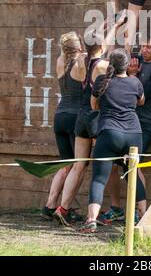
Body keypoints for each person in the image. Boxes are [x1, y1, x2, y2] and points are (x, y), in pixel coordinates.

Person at [53, 14, 127, 226]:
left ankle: (63, 208)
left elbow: (100, 45)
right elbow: (106, 51)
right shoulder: (102, 65)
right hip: (95, 117)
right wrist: (116, 28)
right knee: (106, 166)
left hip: (81, 118)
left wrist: (111, 27)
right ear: (100, 46)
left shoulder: (81, 60)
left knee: (78, 165)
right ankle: (101, 212)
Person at [100, 29, 151, 223]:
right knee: (114, 166)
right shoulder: (134, 60)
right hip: (125, 123)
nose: (145, 50)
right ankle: (116, 208)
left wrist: (131, 75)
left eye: (150, 47)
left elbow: (141, 96)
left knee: (134, 166)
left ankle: (141, 215)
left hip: (145, 124)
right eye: (143, 46)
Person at [78, 48, 146, 234]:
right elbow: (141, 102)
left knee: (99, 179)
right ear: (127, 65)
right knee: (134, 175)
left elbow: (94, 106)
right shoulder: (136, 82)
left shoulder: (101, 81)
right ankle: (144, 216)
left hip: (109, 133)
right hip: (134, 134)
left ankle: (91, 220)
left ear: (110, 65)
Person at [41, 31, 86, 222]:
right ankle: (63, 208)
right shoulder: (81, 62)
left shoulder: (60, 61)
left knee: (65, 164)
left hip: (60, 117)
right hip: (75, 118)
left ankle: (50, 205)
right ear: (79, 47)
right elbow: (101, 50)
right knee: (79, 166)